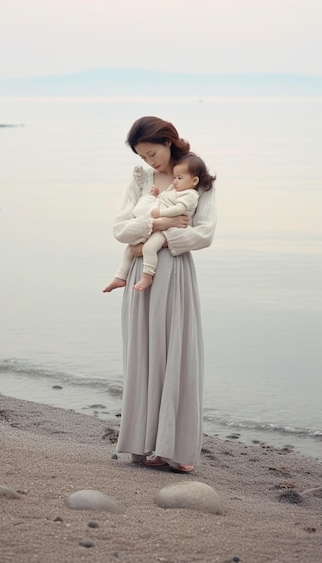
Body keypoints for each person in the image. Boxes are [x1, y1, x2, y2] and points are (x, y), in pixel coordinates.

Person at [106, 116, 216, 473]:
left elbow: (203, 234)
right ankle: (142, 443)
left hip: (174, 273)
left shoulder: (196, 178)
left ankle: (174, 449)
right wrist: (159, 225)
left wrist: (157, 240)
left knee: (176, 354)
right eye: (142, 157)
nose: (150, 162)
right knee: (143, 353)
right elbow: (121, 229)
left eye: (152, 153)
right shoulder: (141, 181)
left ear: (168, 142)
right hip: (141, 275)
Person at [103, 153, 207, 292]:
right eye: (175, 177)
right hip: (160, 227)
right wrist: (156, 194)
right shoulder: (175, 190)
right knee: (130, 248)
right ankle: (120, 276)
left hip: (169, 231)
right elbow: (165, 200)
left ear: (194, 181)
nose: (175, 181)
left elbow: (179, 208)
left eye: (179, 178)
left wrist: (161, 215)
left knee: (149, 247)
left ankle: (147, 276)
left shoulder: (190, 194)